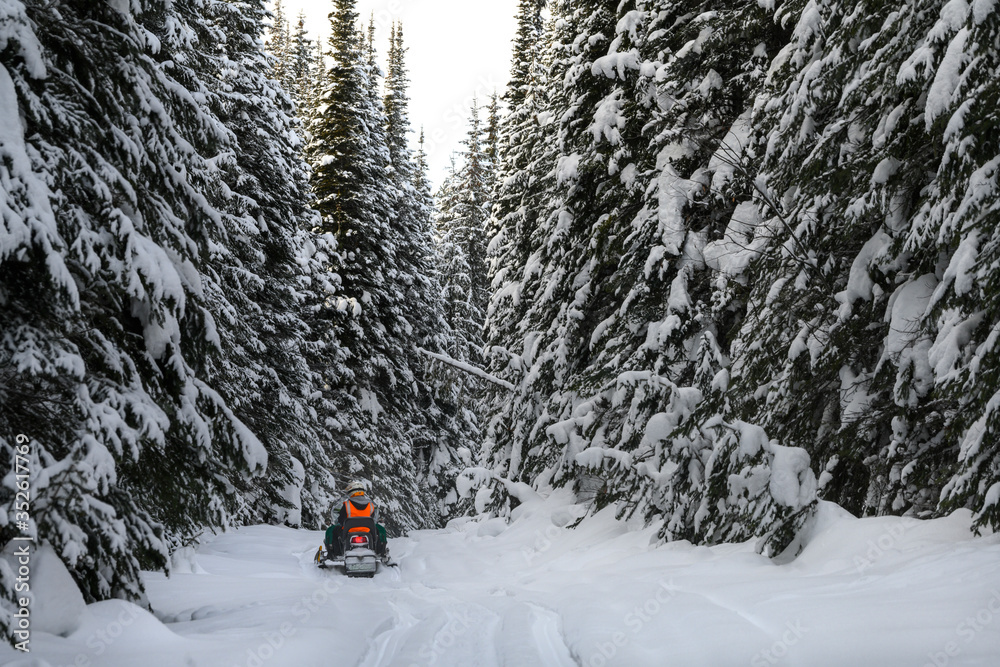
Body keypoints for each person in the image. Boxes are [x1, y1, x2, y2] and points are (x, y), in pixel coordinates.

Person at [325, 481, 388, 558]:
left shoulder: (347, 504)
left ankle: (335, 553)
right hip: (367, 531)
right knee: (380, 530)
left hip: (349, 531)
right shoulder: (371, 505)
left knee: (332, 531)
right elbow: (373, 517)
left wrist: (342, 523)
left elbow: (341, 519)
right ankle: (380, 552)